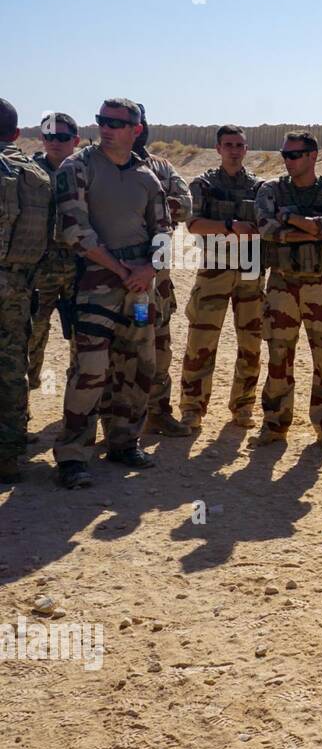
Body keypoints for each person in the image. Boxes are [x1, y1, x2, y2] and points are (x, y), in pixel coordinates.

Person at [51, 98, 167, 488]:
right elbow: (75, 230)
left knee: (138, 364)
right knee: (91, 370)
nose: (107, 127)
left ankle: (124, 442)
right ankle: (72, 455)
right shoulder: (78, 167)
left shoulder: (147, 176)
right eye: (102, 120)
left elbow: (164, 231)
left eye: (117, 123)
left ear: (136, 129)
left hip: (137, 291)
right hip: (96, 285)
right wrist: (123, 270)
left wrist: (149, 268)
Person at [251, 130, 322, 449]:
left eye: (294, 155)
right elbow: (266, 228)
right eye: (285, 155)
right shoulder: (271, 190)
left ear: (312, 156)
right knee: (279, 355)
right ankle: (275, 424)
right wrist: (311, 230)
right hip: (282, 283)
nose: (288, 161)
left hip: (320, 283)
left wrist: (290, 219)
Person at [178, 124, 265, 430]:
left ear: (246, 149)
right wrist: (231, 226)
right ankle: (192, 408)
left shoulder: (260, 187)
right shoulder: (203, 184)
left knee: (251, 343)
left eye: (239, 145)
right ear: (218, 148)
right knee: (201, 341)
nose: (234, 150)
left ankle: (243, 407)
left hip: (251, 271)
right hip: (214, 268)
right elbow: (194, 225)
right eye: (228, 145)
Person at [132, 104, 194, 437]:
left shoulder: (161, 167)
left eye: (138, 124)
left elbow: (185, 204)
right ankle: (111, 416)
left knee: (158, 342)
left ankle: (157, 410)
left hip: (156, 278)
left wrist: (146, 206)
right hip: (114, 274)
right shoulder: (95, 164)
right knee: (114, 345)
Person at [0, 98, 53, 484]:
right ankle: (9, 455)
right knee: (12, 367)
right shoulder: (37, 175)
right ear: (17, 134)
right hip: (19, 283)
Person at [27, 113, 80, 400]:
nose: (54, 142)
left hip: (79, 266)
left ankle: (78, 409)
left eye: (62, 137)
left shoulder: (87, 171)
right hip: (40, 268)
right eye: (49, 136)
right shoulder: (28, 173)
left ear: (75, 140)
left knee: (83, 337)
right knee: (32, 335)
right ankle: (21, 405)